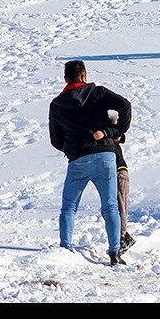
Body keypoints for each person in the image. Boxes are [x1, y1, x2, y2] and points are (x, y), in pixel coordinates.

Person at [49, 60, 131, 266]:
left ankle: (65, 248)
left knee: (69, 207)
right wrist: (116, 132)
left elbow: (55, 140)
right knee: (111, 206)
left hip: (78, 160)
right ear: (84, 75)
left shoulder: (57, 104)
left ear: (66, 78)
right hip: (106, 156)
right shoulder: (98, 93)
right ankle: (114, 253)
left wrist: (72, 148)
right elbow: (125, 105)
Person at [99, 110, 135, 254]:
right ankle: (124, 237)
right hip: (115, 173)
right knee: (111, 209)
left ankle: (122, 239)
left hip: (119, 172)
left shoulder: (110, 135)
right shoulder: (112, 135)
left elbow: (119, 135)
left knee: (117, 209)